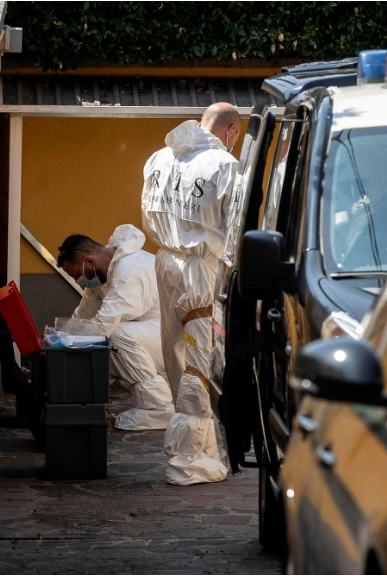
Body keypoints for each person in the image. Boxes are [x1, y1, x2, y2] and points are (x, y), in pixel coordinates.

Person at [141, 102, 242, 485]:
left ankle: (202, 447)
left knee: (177, 357)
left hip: (165, 261)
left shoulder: (159, 159)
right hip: (202, 268)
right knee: (201, 362)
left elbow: (149, 215)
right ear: (231, 132)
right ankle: (190, 460)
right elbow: (233, 232)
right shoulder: (225, 166)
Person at [57, 225, 174, 430]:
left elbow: (103, 325)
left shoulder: (129, 270)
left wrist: (66, 348)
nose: (78, 281)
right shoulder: (102, 275)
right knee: (108, 341)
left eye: (76, 275)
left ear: (89, 261)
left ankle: (159, 409)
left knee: (115, 336)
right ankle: (159, 397)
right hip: (157, 334)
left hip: (175, 337)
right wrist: (59, 339)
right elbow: (84, 315)